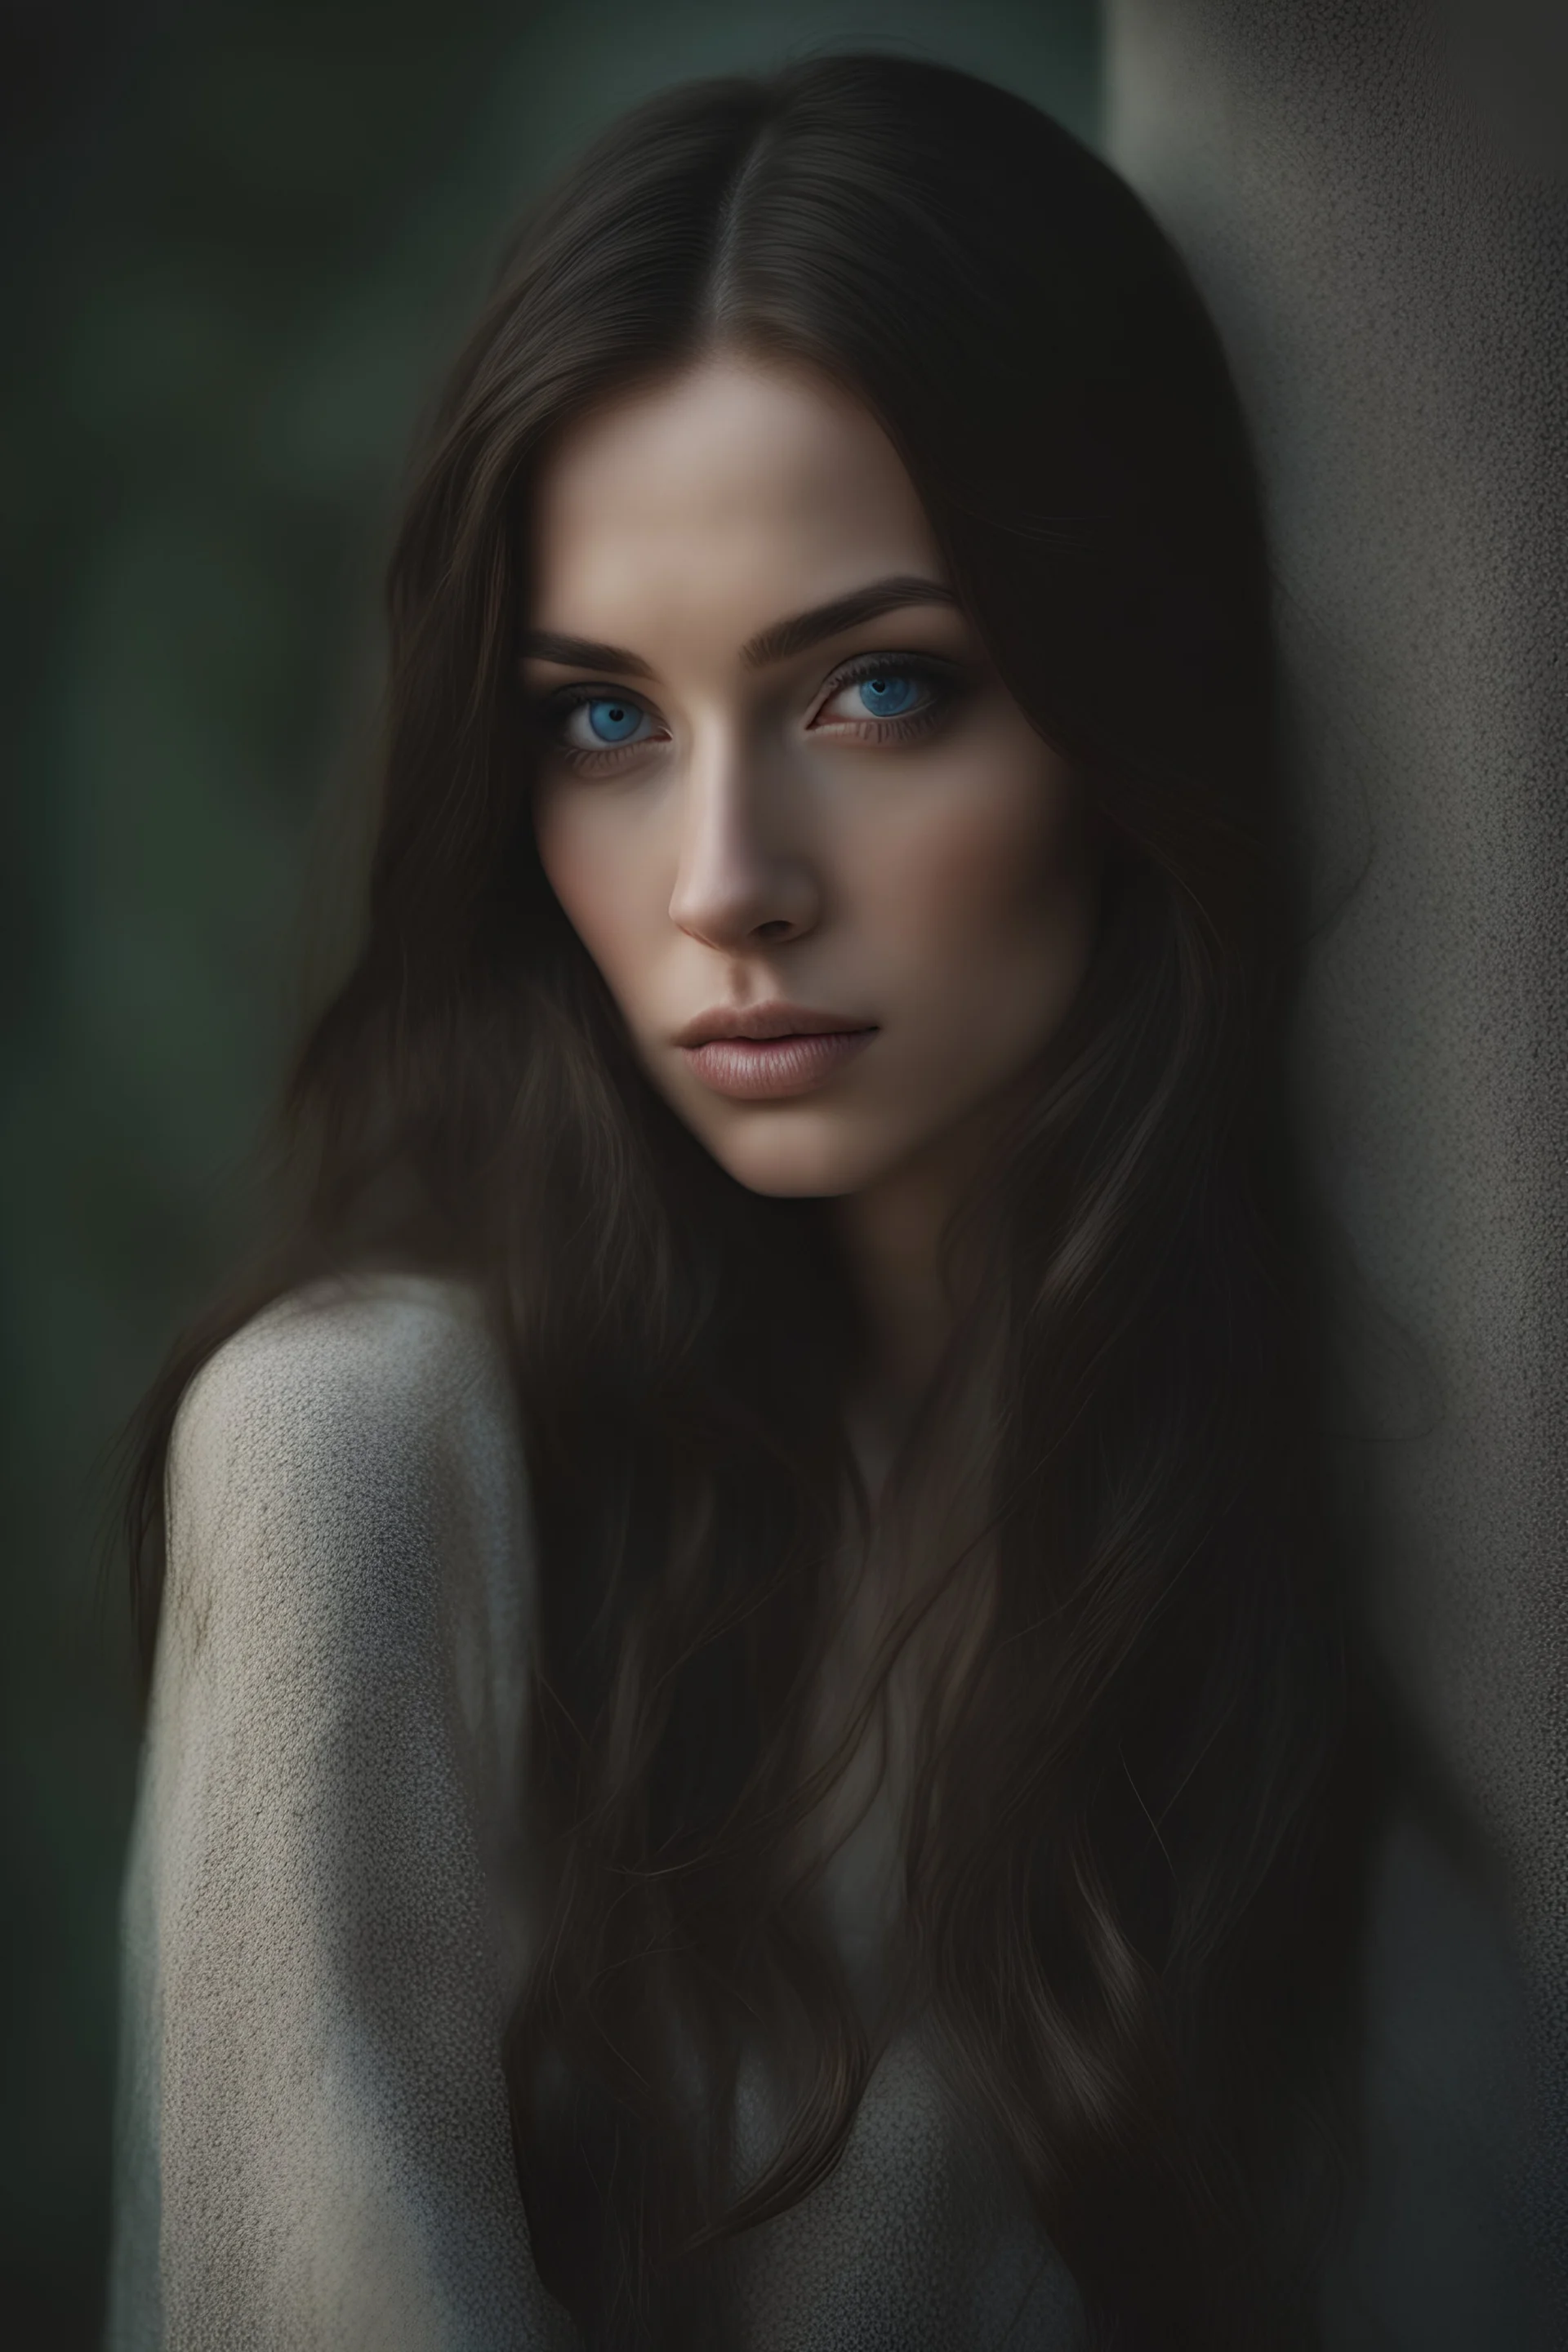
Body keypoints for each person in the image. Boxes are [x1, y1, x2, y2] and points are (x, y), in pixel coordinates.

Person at [105, 51, 1519, 2352]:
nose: (725, 887)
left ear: (1120, 711)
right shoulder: (358, 1453)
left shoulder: (1274, 1494)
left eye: (876, 690)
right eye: (603, 721)